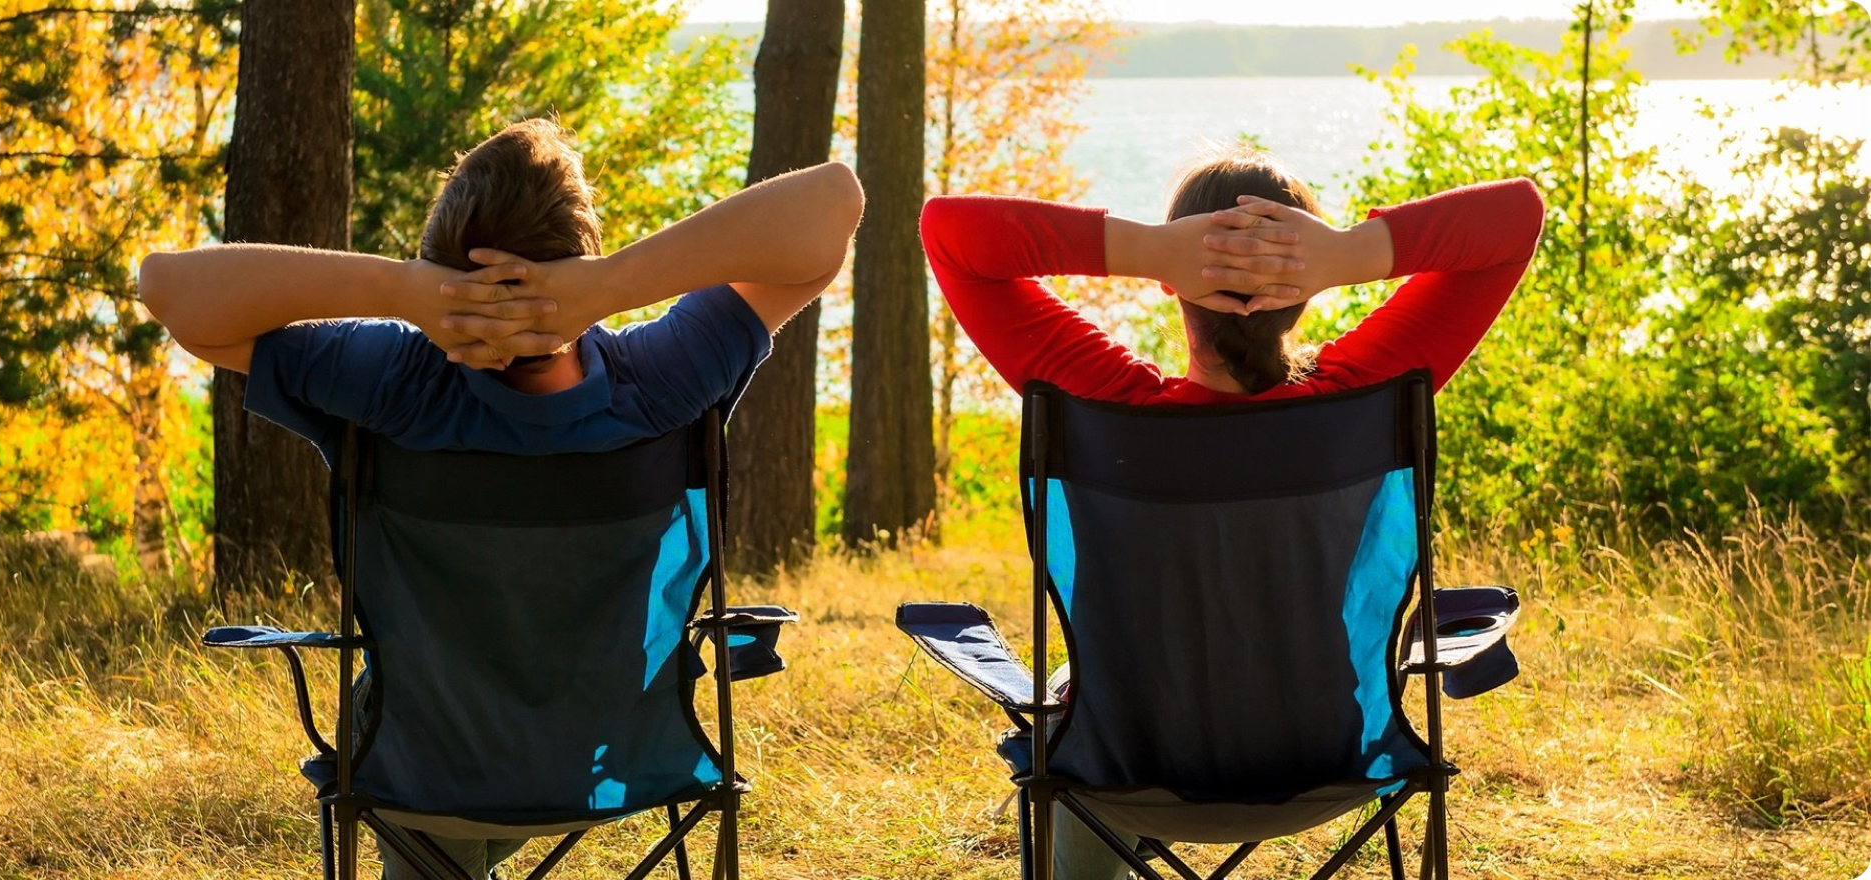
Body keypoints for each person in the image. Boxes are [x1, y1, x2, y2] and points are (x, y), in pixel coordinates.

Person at [138, 119, 863, 880]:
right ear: (579, 258)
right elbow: (833, 203)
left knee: (414, 740)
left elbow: (167, 288)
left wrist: (403, 290)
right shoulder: (662, 380)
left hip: (426, 772)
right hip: (618, 752)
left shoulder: (391, 386)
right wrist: (612, 284)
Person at [918, 145, 1545, 880]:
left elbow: (951, 233)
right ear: (1307, 291)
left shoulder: (1100, 400)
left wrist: (1146, 249)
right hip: (1327, 761)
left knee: (1073, 696)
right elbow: (1516, 216)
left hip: (1124, 773)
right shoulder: (1359, 398)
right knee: (1083, 696)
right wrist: (1349, 254)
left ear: (1171, 285)